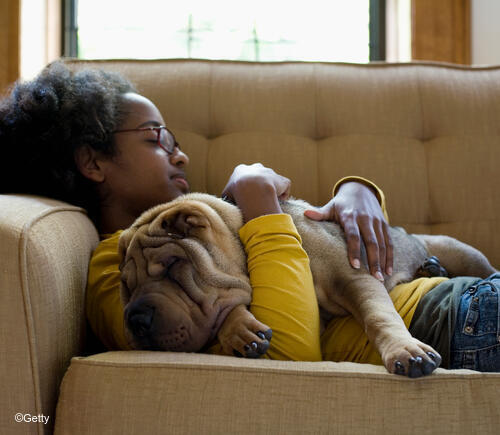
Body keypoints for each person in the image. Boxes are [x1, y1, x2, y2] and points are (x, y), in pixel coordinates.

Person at [1, 62, 498, 376]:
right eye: (157, 139)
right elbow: (287, 351)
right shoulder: (114, 267)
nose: (181, 157)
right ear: (93, 162)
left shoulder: (204, 217)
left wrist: (357, 191)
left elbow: (341, 248)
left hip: (444, 294)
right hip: (447, 323)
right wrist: (260, 204)